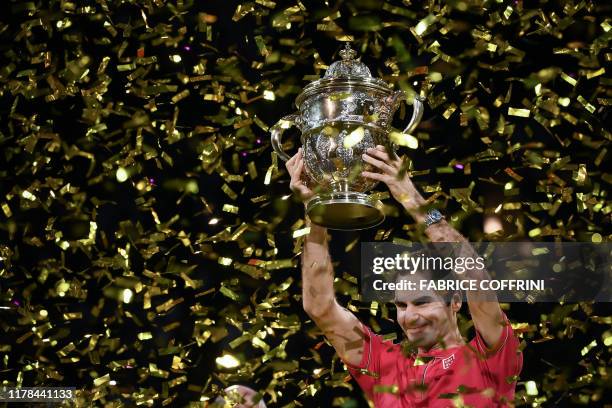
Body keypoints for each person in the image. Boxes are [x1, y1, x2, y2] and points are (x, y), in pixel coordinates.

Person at [285, 146, 523, 407]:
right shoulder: (384, 365)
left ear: (455, 301)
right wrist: (315, 212)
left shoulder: (490, 358)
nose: (409, 317)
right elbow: (319, 306)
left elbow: (475, 277)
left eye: (422, 302)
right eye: (401, 305)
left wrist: (410, 197)